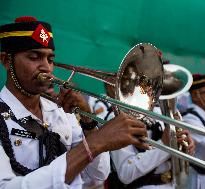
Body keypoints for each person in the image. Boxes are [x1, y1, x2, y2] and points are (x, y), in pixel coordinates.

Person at [0, 16, 149, 189]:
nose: (46, 67)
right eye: (34, 57)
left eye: (50, 59)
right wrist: (95, 143)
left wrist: (89, 123)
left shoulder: (61, 111)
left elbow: (95, 176)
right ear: (6, 61)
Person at [105, 59, 195, 189]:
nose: (157, 87)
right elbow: (125, 173)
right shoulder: (117, 118)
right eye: (151, 81)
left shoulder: (161, 113)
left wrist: (186, 148)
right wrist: (164, 145)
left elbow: (179, 154)